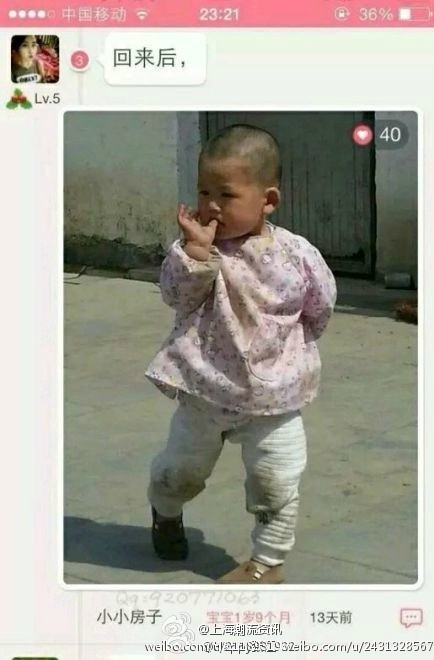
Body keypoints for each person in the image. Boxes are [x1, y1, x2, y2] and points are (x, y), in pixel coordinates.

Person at [145, 124, 337, 584]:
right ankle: (165, 512)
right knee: (179, 472)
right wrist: (195, 256)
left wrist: (291, 353)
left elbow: (320, 305)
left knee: (277, 479)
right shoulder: (195, 251)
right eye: (203, 191)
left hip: (274, 398)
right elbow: (175, 296)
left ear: (268, 200)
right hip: (206, 392)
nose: (211, 205)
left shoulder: (297, 254)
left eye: (226, 195)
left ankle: (267, 563)